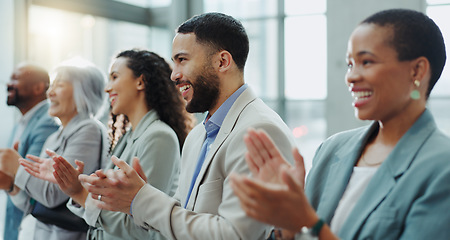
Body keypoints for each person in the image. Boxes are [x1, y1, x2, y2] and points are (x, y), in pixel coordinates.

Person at [229, 8, 450, 240]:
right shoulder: (333, 149)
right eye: (349, 64)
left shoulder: (441, 167)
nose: (351, 77)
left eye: (366, 62)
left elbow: (309, 224)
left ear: (417, 70)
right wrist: (287, 224)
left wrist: (309, 222)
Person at [77, 12, 297, 239]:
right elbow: (185, 215)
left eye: (182, 60)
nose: (174, 75)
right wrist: (135, 199)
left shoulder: (259, 130)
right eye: (174, 62)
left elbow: (235, 234)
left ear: (222, 62)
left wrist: (143, 199)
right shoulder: (198, 135)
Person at [21, 49, 194, 240]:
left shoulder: (158, 137)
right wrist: (75, 183)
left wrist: (80, 193)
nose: (107, 88)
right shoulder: (128, 138)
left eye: (114, 77)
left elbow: (145, 226)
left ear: (140, 81)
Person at [7, 60, 108, 240]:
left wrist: (17, 168)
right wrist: (11, 185)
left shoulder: (89, 130)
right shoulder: (53, 137)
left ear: (82, 93)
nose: (50, 93)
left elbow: (53, 196)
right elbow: (33, 204)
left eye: (59, 85)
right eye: (51, 85)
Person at [0, 63, 58, 240]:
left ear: (39, 87)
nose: (8, 84)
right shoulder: (22, 122)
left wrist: (9, 182)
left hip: (30, 229)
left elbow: (33, 186)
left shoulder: (47, 123)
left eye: (15, 78)